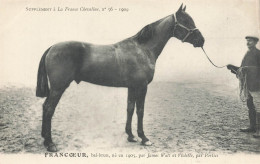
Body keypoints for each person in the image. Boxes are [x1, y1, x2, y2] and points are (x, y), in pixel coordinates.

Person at [227, 35, 260, 138]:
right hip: (248, 84)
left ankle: (259, 130)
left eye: (250, 41)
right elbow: (242, 69)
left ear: (255, 42)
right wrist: (234, 68)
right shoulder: (248, 53)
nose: (248, 43)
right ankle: (252, 126)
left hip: (256, 84)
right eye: (247, 41)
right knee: (250, 105)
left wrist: (246, 69)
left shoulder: (257, 53)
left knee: (258, 106)